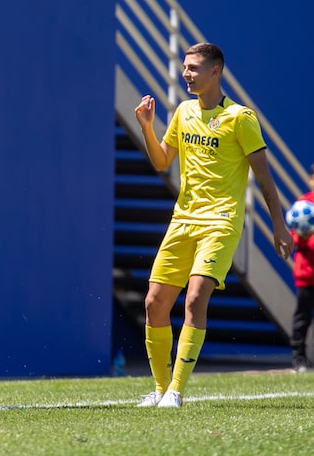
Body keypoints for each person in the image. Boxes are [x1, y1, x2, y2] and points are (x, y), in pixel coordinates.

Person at [133, 42, 292, 408]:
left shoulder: (241, 118)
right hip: (182, 220)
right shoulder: (183, 111)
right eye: (185, 67)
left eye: (193, 68)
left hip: (220, 222)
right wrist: (146, 127)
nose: (186, 74)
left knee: (195, 297)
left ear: (215, 71)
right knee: (154, 303)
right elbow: (161, 162)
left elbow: (265, 178)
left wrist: (279, 225)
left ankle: (176, 390)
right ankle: (158, 389)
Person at [289, 165, 314, 373]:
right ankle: (299, 358)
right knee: (302, 318)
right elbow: (295, 237)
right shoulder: (304, 204)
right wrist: (303, 237)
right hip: (307, 273)